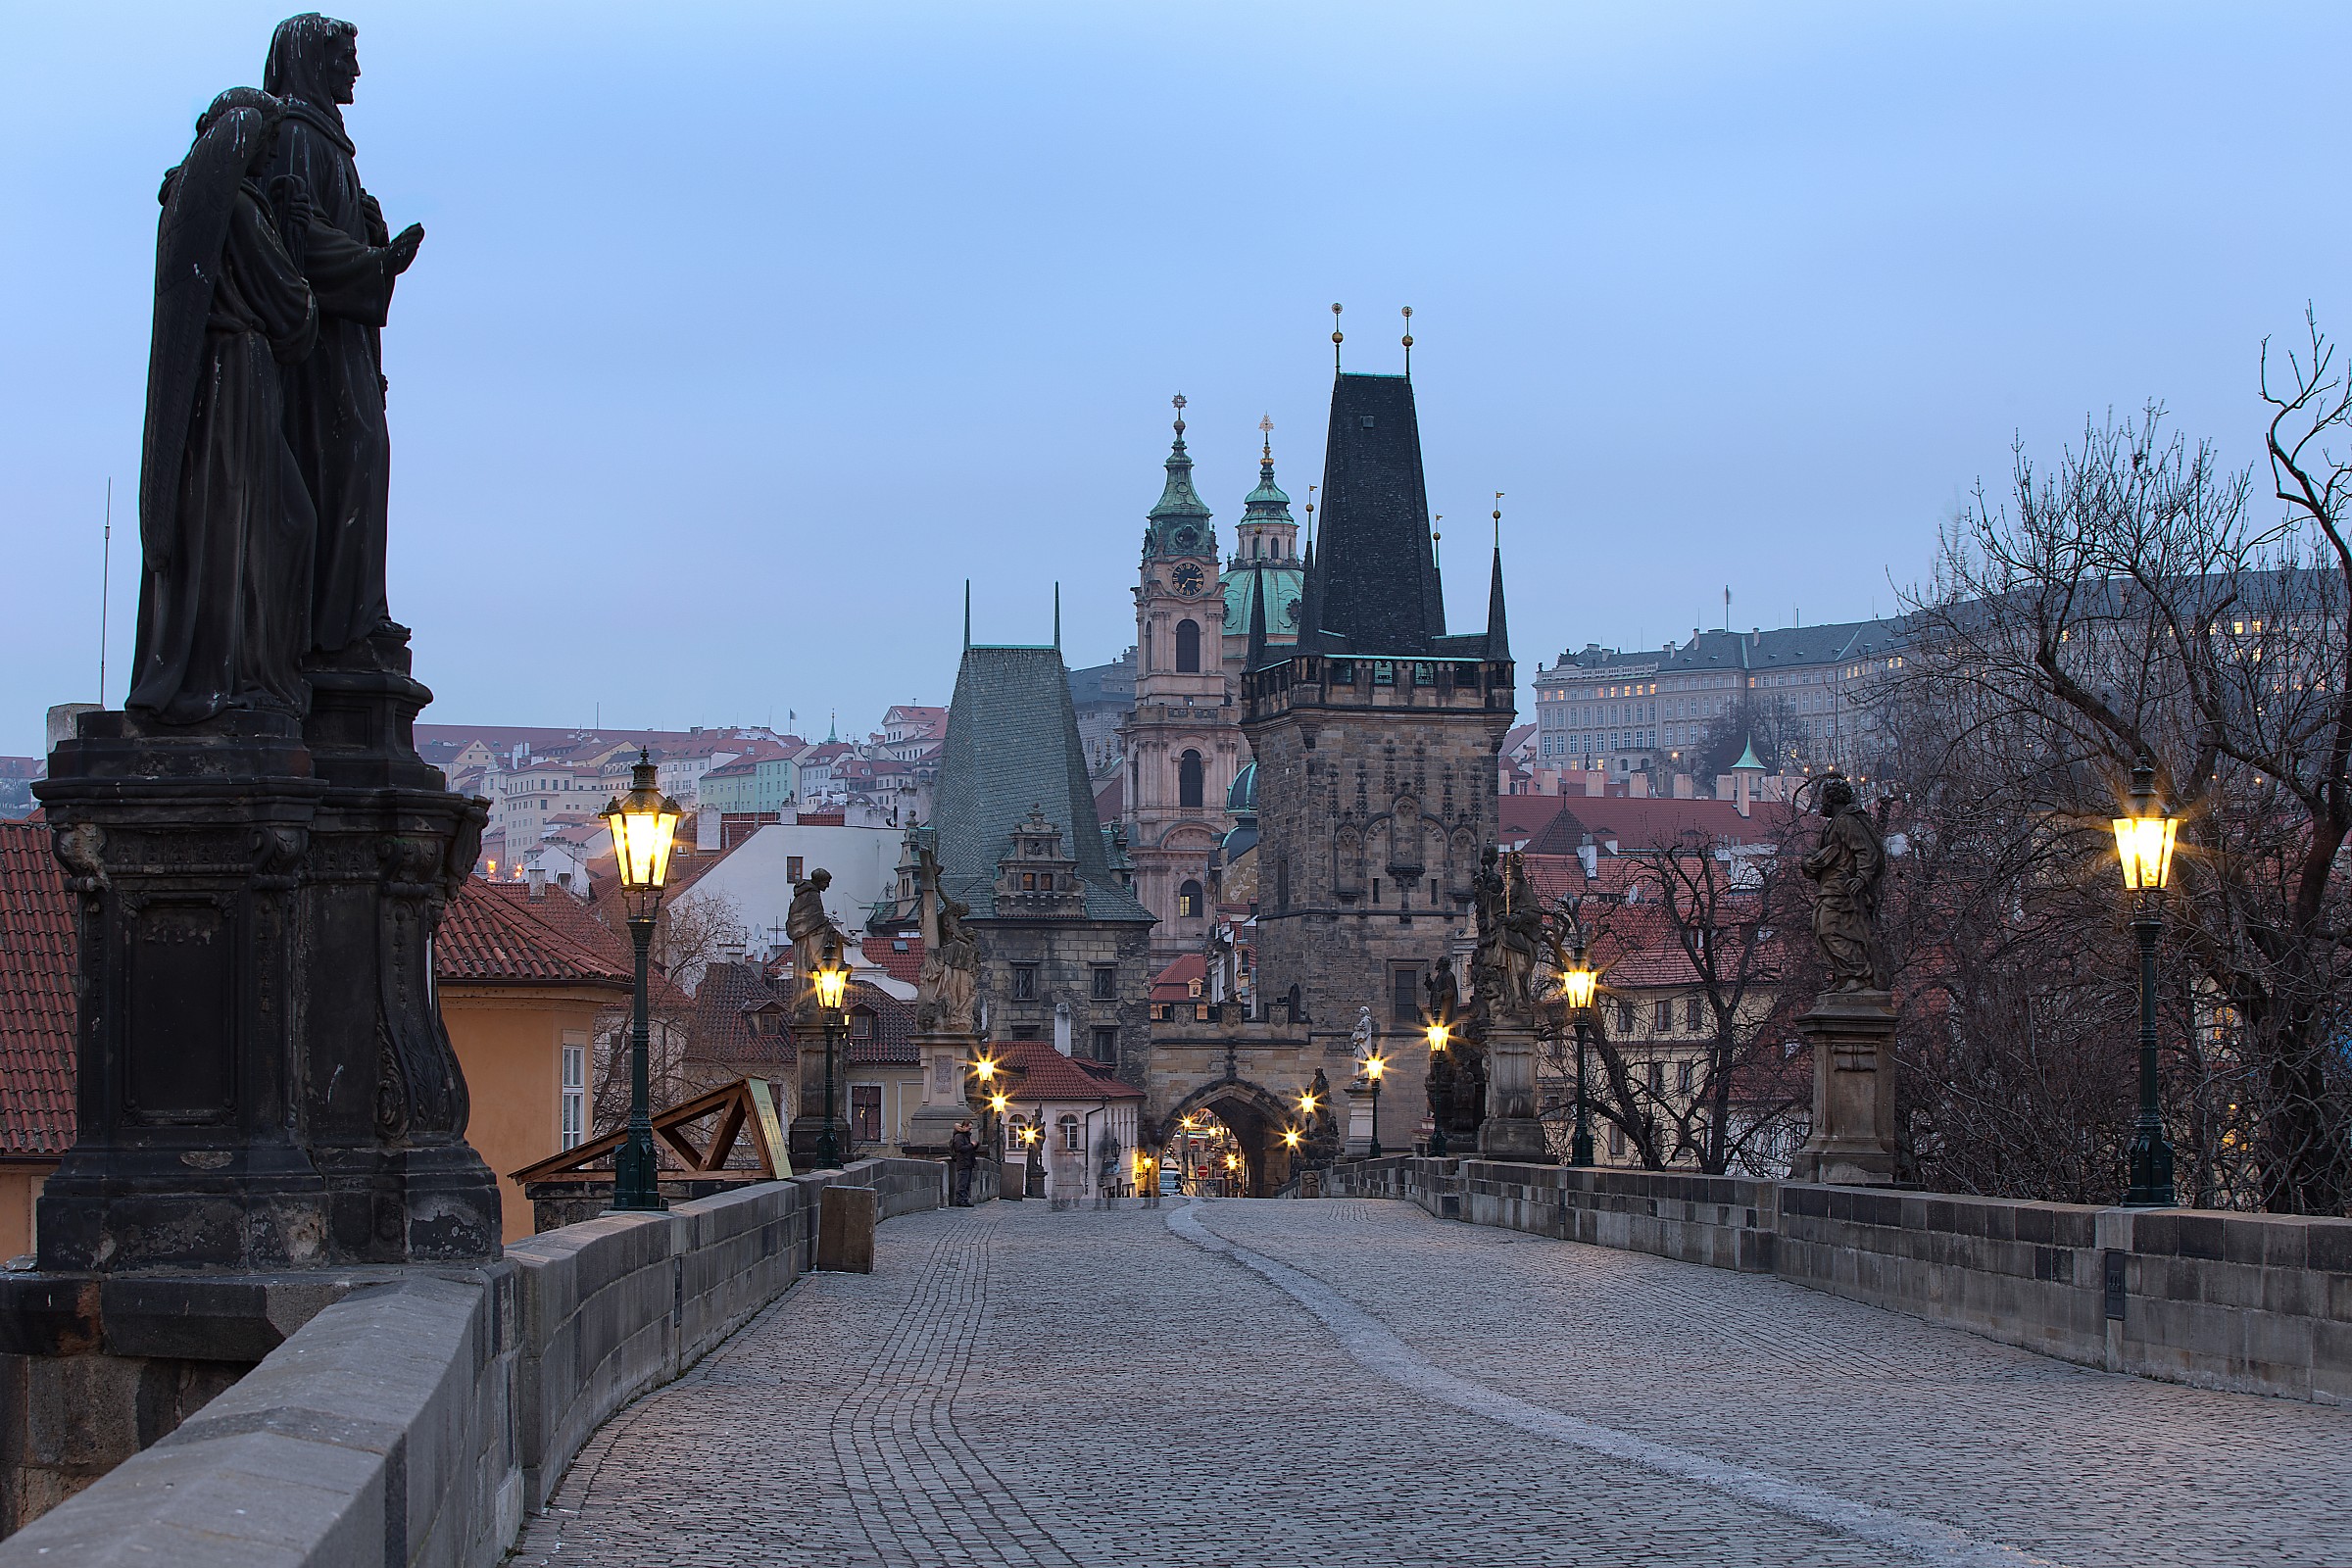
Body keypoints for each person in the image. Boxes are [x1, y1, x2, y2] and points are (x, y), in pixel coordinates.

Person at [128, 87, 317, 723]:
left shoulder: (192, 205)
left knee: (241, 523)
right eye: (265, 146)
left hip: (224, 384)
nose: (268, 159)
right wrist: (292, 241)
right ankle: (241, 674)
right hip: (239, 380)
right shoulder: (237, 208)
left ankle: (239, 668)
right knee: (271, 524)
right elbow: (292, 308)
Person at [260, 14, 424, 660]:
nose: (354, 71)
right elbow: (300, 240)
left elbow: (332, 232)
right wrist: (374, 263)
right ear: (312, 61)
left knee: (365, 458)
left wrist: (371, 233)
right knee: (349, 456)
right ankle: (336, 627)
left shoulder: (327, 140)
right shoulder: (295, 135)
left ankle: (358, 612)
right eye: (345, 58)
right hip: (318, 349)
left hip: (346, 341)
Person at [948, 1119, 978, 1206]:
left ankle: (964, 1200)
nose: (970, 1130)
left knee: (966, 1183)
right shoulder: (959, 1136)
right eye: (969, 1128)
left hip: (967, 1162)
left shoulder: (965, 1136)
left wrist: (975, 1145)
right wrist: (971, 1145)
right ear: (964, 1127)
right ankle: (961, 1200)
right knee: (962, 1183)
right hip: (963, 1162)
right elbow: (960, 1149)